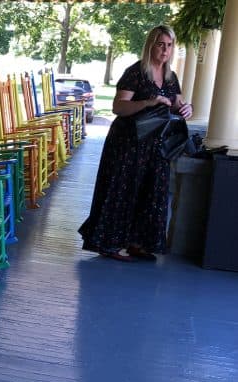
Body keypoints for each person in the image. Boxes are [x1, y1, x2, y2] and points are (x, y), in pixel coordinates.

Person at [79, 25, 192, 261]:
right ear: (151, 45)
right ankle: (107, 243)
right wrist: (148, 102)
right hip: (128, 142)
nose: (165, 50)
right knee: (121, 189)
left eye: (169, 45)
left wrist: (185, 108)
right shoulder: (136, 72)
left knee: (152, 191)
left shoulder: (171, 77)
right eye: (161, 44)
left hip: (156, 144)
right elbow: (118, 107)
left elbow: (176, 104)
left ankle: (138, 242)